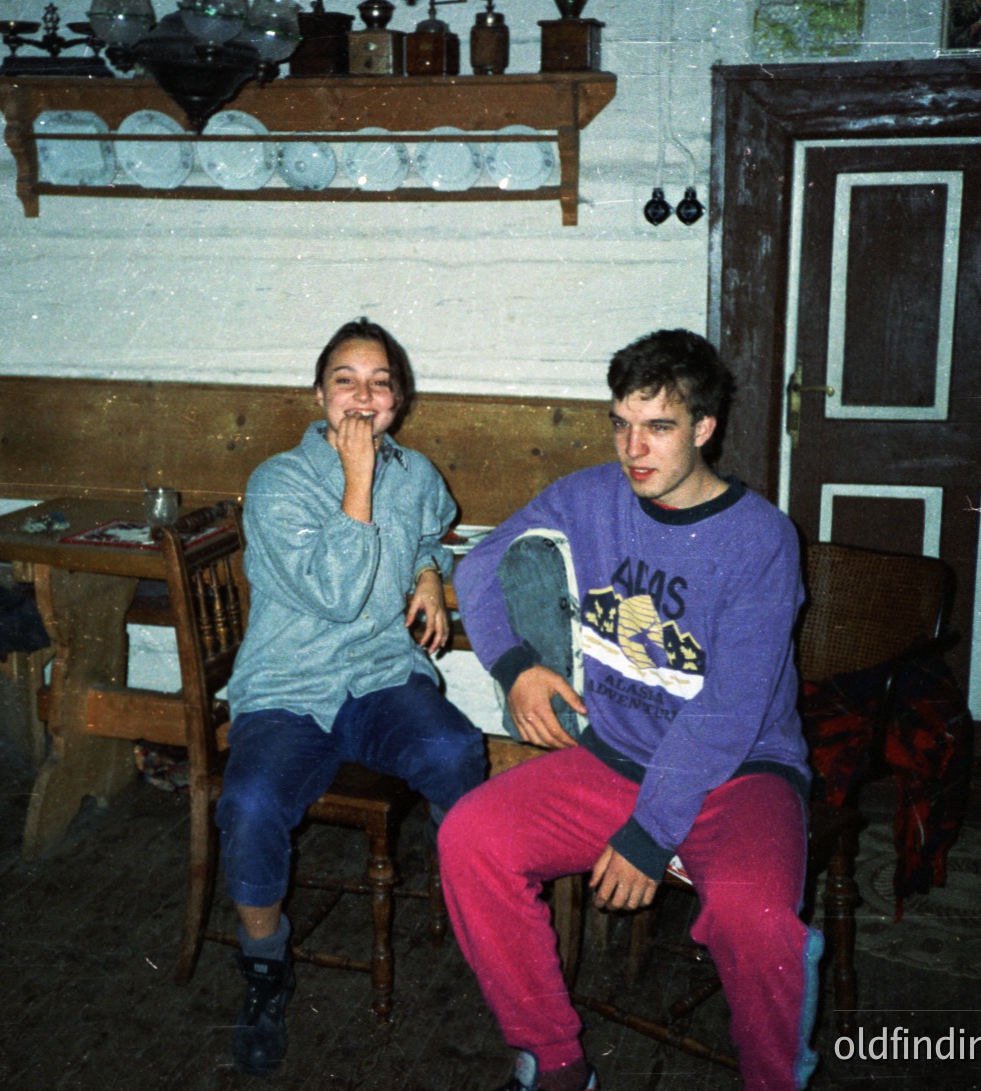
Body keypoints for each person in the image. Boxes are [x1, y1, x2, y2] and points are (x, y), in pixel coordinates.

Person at [440, 329, 821, 1091]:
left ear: (704, 428)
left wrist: (651, 832)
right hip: (613, 758)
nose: (632, 448)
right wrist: (515, 666)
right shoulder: (588, 496)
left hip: (740, 773)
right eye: (621, 422)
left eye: (657, 426)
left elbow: (729, 709)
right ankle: (552, 1059)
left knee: (758, 922)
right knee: (470, 837)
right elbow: (480, 563)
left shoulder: (760, 539)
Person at [218, 317, 486, 1076]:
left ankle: (473, 898)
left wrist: (430, 572)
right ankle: (265, 965)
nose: (362, 397)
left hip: (377, 675)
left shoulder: (416, 472)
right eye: (345, 380)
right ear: (318, 394)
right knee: (248, 806)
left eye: (379, 382)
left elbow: (432, 531)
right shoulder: (278, 481)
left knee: (454, 749)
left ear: (398, 401)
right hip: (288, 687)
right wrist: (358, 479)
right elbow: (337, 594)